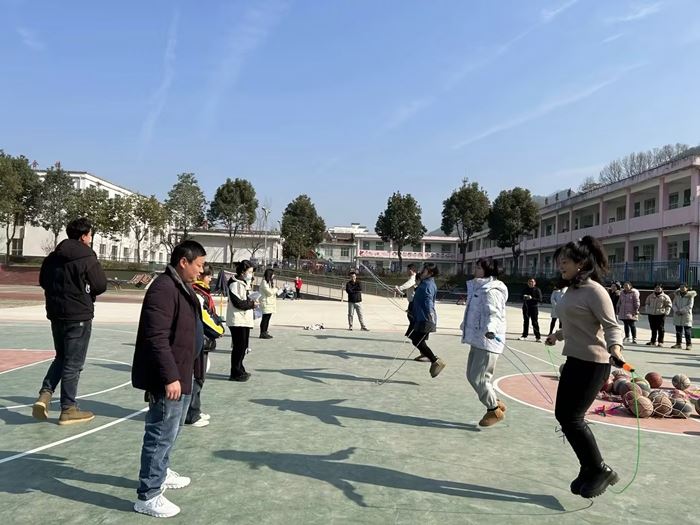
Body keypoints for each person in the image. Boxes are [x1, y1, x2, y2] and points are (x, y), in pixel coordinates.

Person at [545, 236, 626, 499]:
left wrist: (616, 349)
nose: (561, 266)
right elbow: (575, 323)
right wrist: (558, 335)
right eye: (559, 262)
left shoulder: (595, 291)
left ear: (580, 263)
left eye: (565, 262)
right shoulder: (572, 290)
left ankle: (600, 469)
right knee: (563, 416)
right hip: (574, 359)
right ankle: (588, 468)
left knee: (573, 418)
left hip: (594, 364)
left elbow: (612, 326)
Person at [132, 240, 206, 518]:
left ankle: (161, 472)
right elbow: (156, 337)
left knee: (171, 431)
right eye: (199, 265)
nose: (202, 270)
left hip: (183, 372)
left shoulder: (182, 286)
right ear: (183, 262)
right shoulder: (164, 288)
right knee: (160, 433)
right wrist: (170, 376)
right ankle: (148, 495)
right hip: (169, 378)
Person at [32, 217, 107, 425]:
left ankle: (45, 394)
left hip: (56, 313)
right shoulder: (87, 256)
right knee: (73, 363)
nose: (90, 239)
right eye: (90, 235)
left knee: (61, 357)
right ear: (83, 236)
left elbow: (43, 281)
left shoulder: (52, 257)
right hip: (78, 315)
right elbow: (100, 285)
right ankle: (68, 409)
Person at [461, 258, 509, 426]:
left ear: (487, 270)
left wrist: (491, 329)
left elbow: (494, 314)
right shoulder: (479, 287)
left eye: (478, 267)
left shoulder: (492, 290)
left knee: (479, 378)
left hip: (488, 341)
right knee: (472, 376)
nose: (475, 269)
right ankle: (494, 401)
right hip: (477, 339)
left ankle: (493, 410)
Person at [186, 263, 225, 427]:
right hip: (198, 340)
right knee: (197, 378)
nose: (210, 279)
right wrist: (219, 330)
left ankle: (195, 409)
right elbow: (205, 318)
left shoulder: (202, 293)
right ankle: (191, 414)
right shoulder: (197, 293)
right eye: (208, 276)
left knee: (199, 376)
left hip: (201, 340)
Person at [409, 263, 446, 378]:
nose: (421, 272)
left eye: (424, 270)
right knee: (416, 339)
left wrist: (429, 316)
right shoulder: (424, 283)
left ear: (430, 273)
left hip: (425, 318)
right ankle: (433, 359)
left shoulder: (428, 285)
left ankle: (435, 361)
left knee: (417, 340)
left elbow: (428, 301)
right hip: (420, 317)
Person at [227, 260, 257, 381]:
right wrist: (252, 304)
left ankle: (240, 368)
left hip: (243, 319)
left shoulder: (244, 283)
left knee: (243, 346)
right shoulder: (235, 284)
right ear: (243, 272)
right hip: (237, 319)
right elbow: (238, 303)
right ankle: (235, 372)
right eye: (250, 272)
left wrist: (252, 301)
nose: (251, 274)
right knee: (238, 347)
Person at [672, 283, 696, 350]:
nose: (682, 288)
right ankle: (678, 344)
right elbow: (674, 304)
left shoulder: (690, 296)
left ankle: (689, 344)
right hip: (677, 315)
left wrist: (681, 311)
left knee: (687, 331)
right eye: (681, 287)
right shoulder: (677, 295)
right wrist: (676, 310)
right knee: (678, 331)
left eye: (683, 287)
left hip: (686, 315)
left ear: (687, 288)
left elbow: (690, 305)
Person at [519, 278, 542, 342]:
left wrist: (532, 298)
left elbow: (540, 299)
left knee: (534, 322)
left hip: (534, 308)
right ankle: (524, 335)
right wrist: (524, 297)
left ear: (535, 283)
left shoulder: (537, 290)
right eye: (529, 282)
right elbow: (520, 297)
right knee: (526, 321)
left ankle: (538, 337)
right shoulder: (525, 289)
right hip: (526, 307)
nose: (530, 283)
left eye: (532, 282)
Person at [259, 268, 278, 339]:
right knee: (265, 318)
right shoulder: (264, 282)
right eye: (272, 274)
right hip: (266, 303)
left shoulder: (269, 282)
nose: (273, 275)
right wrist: (276, 289)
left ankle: (265, 331)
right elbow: (269, 292)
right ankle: (262, 333)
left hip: (270, 303)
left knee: (267, 318)